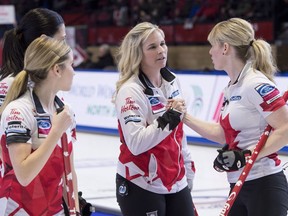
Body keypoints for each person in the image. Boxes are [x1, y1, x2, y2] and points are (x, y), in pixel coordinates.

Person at [182, 17, 288, 216]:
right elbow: (223, 134)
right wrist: (184, 117)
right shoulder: (232, 87)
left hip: (263, 184)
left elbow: (285, 129)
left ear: (225, 48)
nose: (210, 52)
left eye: (212, 45)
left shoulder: (255, 83)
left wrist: (245, 155)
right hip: (238, 183)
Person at [113, 22, 196, 216]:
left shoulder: (173, 80)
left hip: (176, 182)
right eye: (152, 47)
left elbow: (178, 132)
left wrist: (187, 165)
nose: (161, 50)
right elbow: (136, 143)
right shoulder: (130, 91)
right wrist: (170, 117)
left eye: (163, 43)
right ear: (137, 54)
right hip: (140, 183)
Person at [0, 35, 80, 215]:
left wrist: (75, 209)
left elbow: (69, 170)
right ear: (56, 70)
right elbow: (24, 175)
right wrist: (56, 131)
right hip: (19, 210)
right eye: (71, 65)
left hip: (55, 209)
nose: (74, 72)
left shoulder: (65, 110)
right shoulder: (18, 110)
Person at [0, 7, 66, 188]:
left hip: (46, 191)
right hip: (16, 194)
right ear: (44, 41)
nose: (66, 48)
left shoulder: (50, 85)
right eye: (62, 40)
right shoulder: (9, 85)